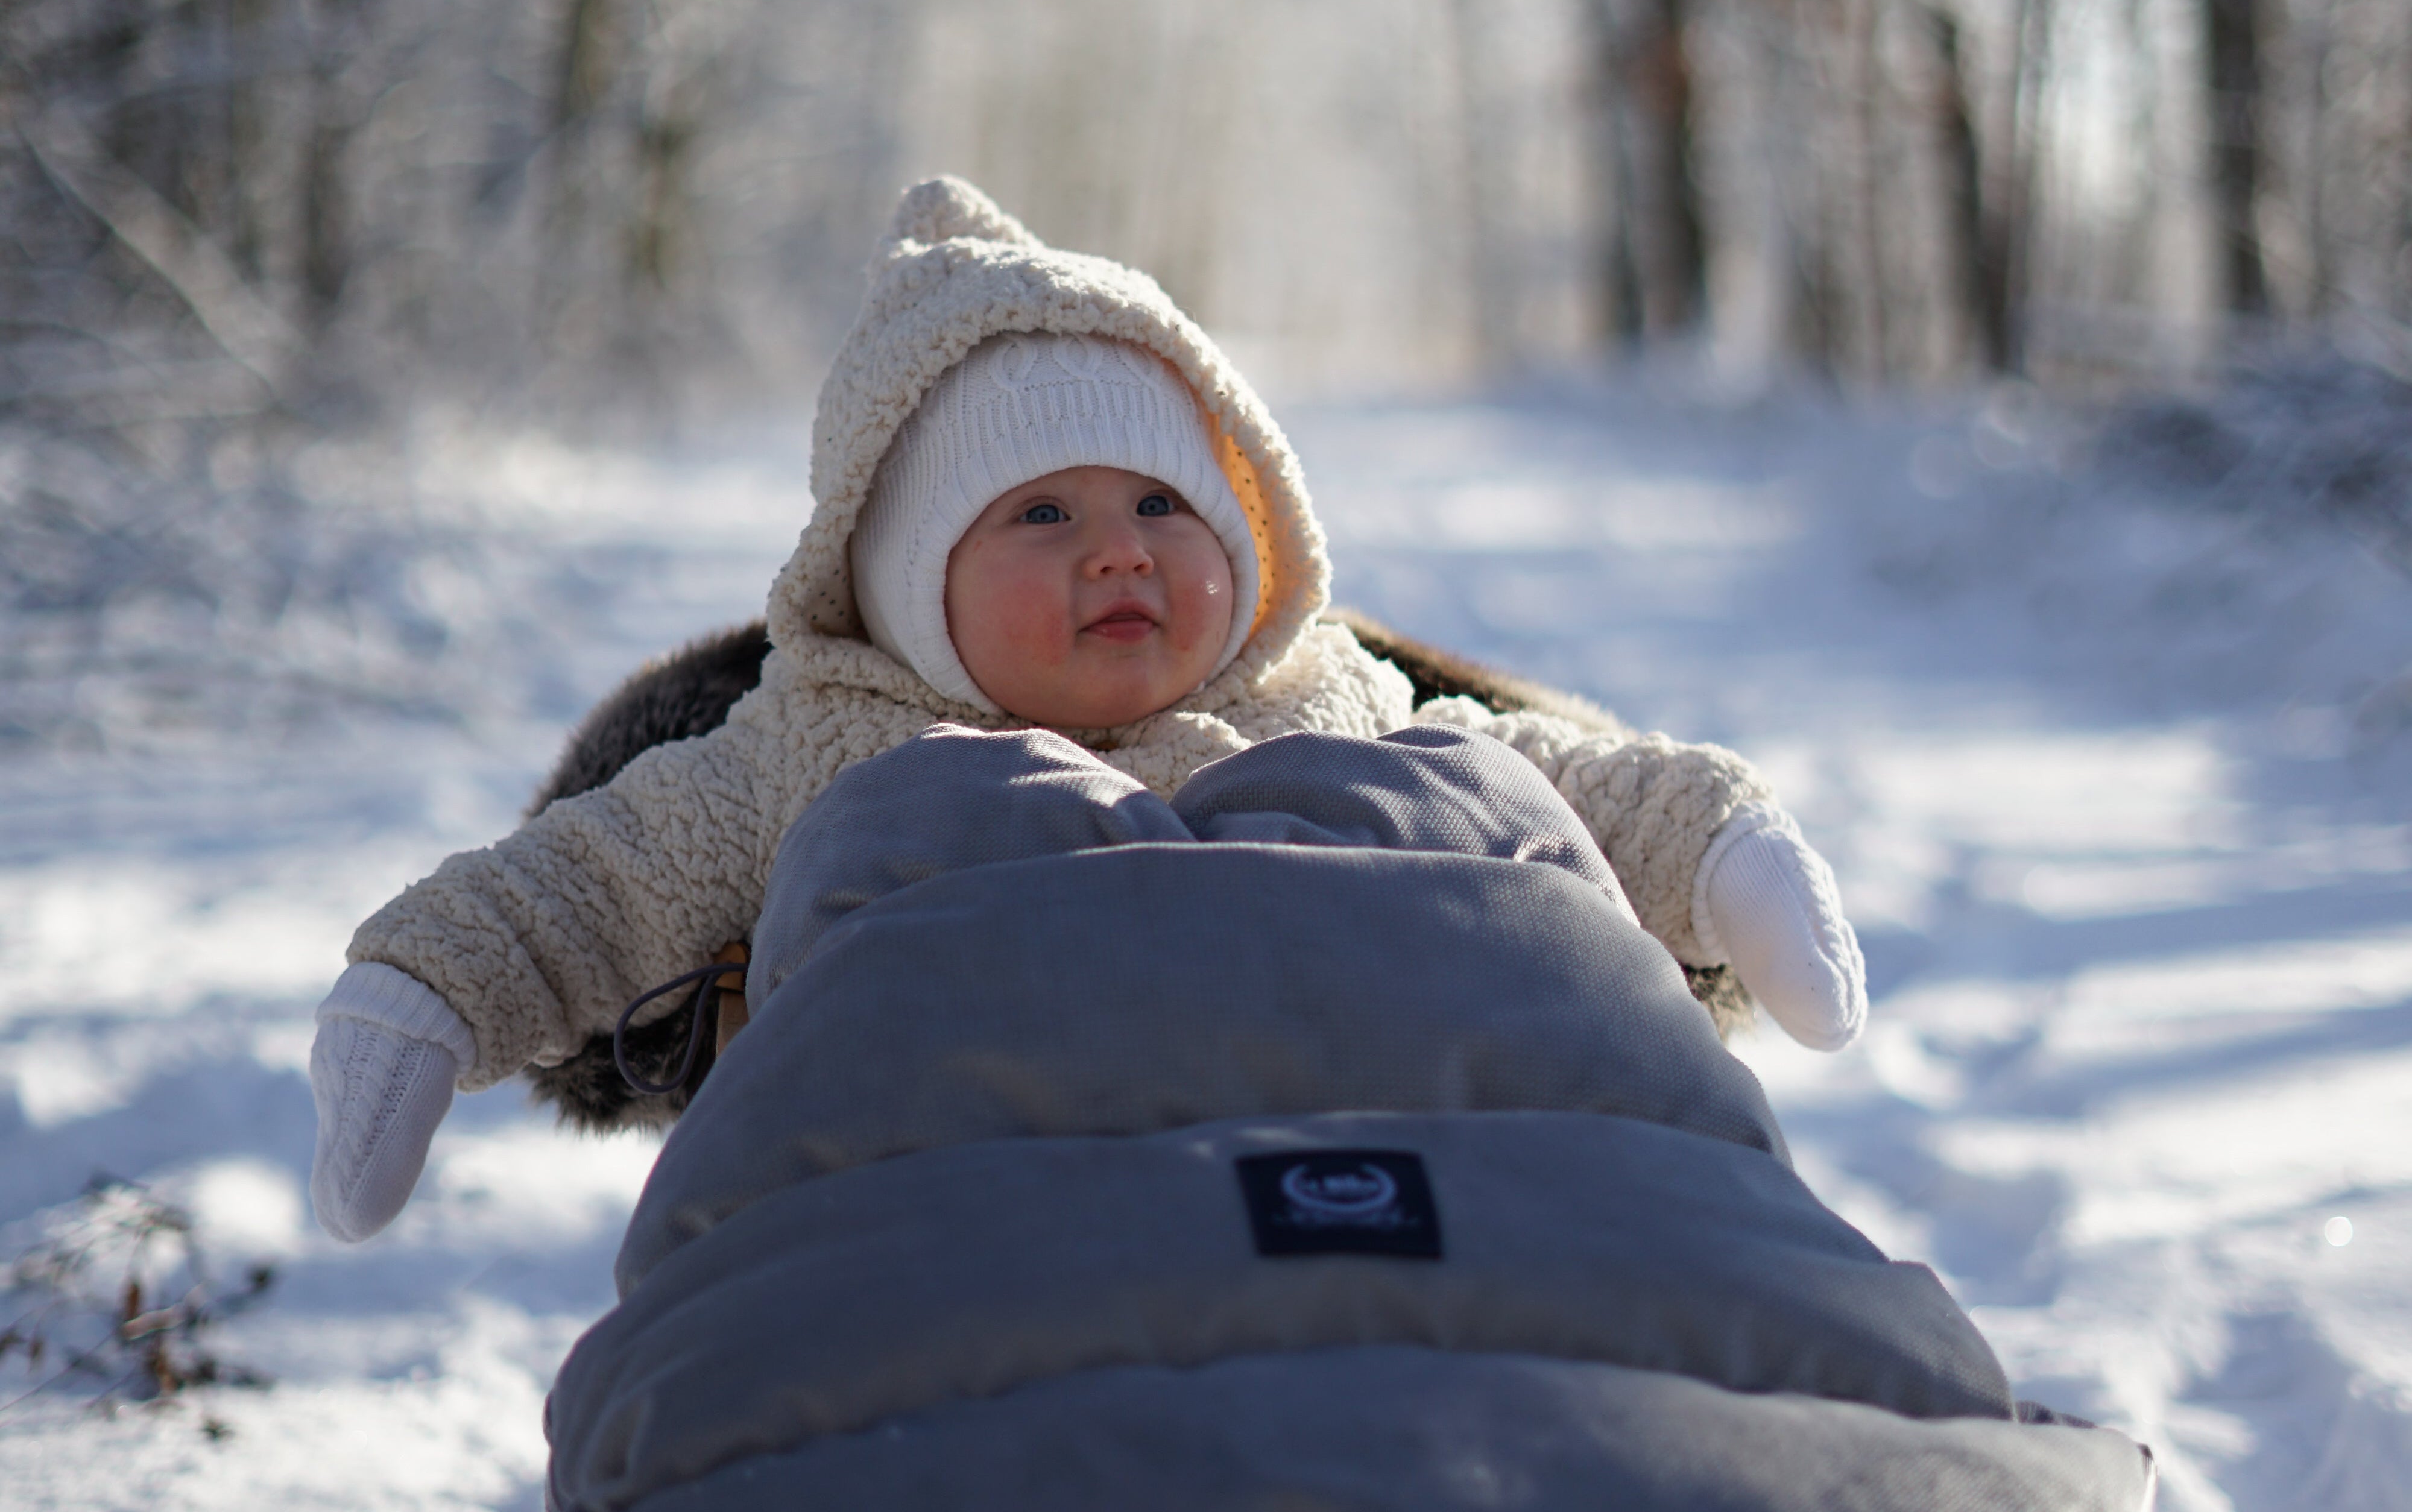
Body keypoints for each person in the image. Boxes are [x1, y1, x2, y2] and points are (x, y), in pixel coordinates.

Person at [309, 177, 1865, 1243]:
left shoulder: (1323, 700)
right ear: (915, 583)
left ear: (1250, 536)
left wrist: (1723, 851)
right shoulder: (822, 749)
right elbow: (588, 882)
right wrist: (420, 998)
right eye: (1040, 516)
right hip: (968, 1215)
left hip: (1363, 1194)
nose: (1117, 544)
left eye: (1160, 501)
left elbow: (1554, 783)